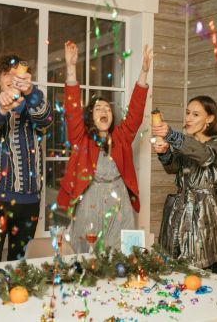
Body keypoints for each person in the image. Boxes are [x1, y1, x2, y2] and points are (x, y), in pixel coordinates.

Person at [57, 41, 152, 253]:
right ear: (90, 116)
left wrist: (144, 73)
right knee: (87, 254)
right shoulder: (81, 138)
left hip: (119, 202)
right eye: (98, 108)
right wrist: (71, 68)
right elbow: (72, 111)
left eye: (107, 108)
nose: (104, 110)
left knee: (121, 255)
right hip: (90, 199)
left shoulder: (121, 136)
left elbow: (135, 113)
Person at [0, 54, 52, 263]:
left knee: (21, 268)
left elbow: (46, 119)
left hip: (28, 202)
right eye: (6, 74)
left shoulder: (34, 106)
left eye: (17, 73)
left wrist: (30, 92)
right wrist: (2, 109)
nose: (12, 78)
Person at [152, 95, 217, 273]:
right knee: (174, 267)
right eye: (187, 113)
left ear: (209, 119)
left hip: (202, 216)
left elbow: (205, 156)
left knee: (202, 269)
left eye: (195, 114)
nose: (188, 118)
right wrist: (164, 153)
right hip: (177, 213)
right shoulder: (187, 145)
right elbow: (172, 168)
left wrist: (171, 135)